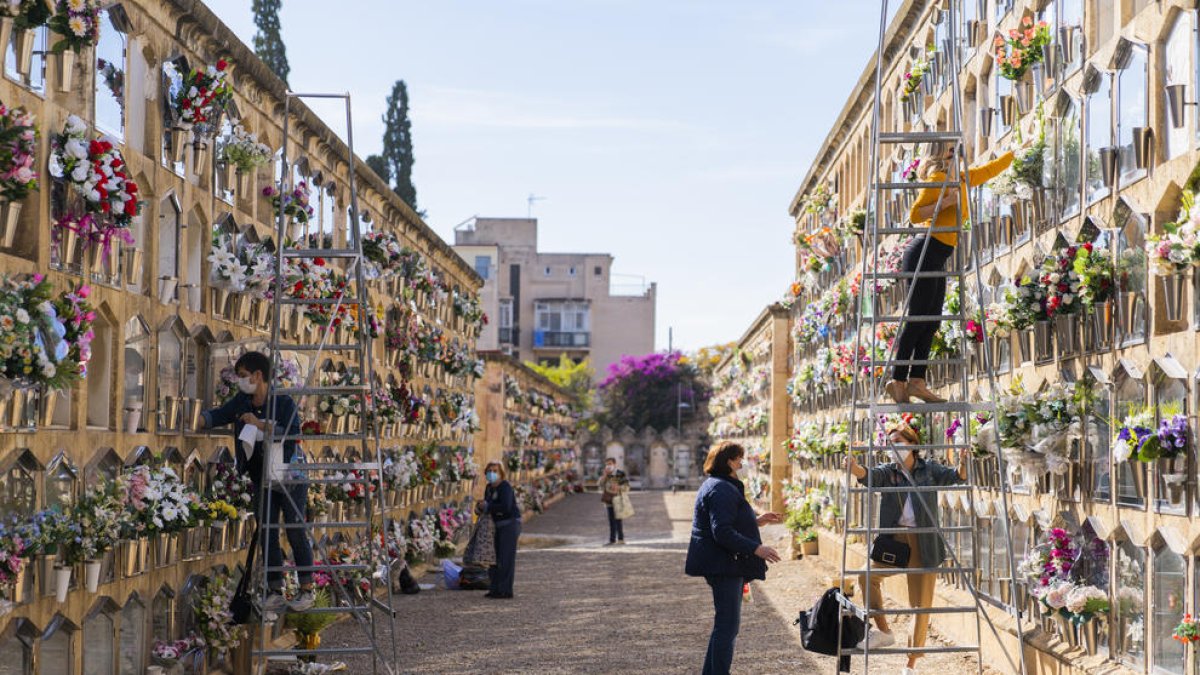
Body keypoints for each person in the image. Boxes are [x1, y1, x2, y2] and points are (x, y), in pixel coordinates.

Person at [886, 142, 1014, 404]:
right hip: (924, 250)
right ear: (940, 155)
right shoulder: (938, 179)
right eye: (952, 151)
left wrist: (1016, 151)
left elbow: (990, 170)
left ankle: (917, 381)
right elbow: (914, 214)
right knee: (918, 317)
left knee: (932, 320)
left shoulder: (962, 179)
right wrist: (945, 201)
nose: (958, 155)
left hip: (937, 255)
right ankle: (897, 379)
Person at [844, 418, 968, 675]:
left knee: (920, 606)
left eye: (898, 441)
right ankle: (884, 631)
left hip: (924, 542)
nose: (892, 446)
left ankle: (910, 664)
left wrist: (965, 461)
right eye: (889, 442)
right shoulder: (888, 471)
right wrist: (854, 467)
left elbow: (956, 477)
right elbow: (868, 476)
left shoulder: (929, 469)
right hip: (895, 543)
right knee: (866, 574)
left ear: (912, 444)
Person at [200, 351, 314, 613]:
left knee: (295, 529)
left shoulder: (283, 401)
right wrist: (198, 418)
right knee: (267, 530)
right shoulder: (242, 401)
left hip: (289, 475)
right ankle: (275, 588)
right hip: (262, 475)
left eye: (243, 376)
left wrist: (259, 424)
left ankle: (306, 588)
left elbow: (292, 432)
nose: (240, 381)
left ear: (258, 375)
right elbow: (220, 414)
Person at [685, 441, 783, 675]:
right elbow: (722, 531)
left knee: (726, 626)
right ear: (729, 461)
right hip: (724, 565)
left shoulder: (721, 485)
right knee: (727, 627)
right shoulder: (720, 489)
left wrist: (757, 521)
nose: (742, 462)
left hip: (724, 563)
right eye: (739, 458)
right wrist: (756, 548)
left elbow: (727, 521)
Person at [478, 461, 521, 599]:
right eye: (490, 470)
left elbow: (506, 506)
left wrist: (488, 506)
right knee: (493, 558)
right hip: (495, 526)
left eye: (495, 470)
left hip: (509, 524)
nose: (492, 473)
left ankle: (505, 590)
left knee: (506, 558)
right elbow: (488, 506)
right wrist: (480, 507)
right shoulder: (489, 488)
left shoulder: (505, 487)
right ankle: (494, 588)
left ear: (501, 473)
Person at [599, 458, 629, 545]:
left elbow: (626, 487)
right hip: (608, 500)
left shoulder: (620, 473)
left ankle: (621, 539)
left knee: (618, 519)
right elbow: (600, 485)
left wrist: (618, 487)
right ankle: (612, 539)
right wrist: (604, 476)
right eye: (607, 464)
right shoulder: (606, 474)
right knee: (611, 520)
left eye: (610, 464)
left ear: (614, 464)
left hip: (618, 499)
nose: (608, 466)